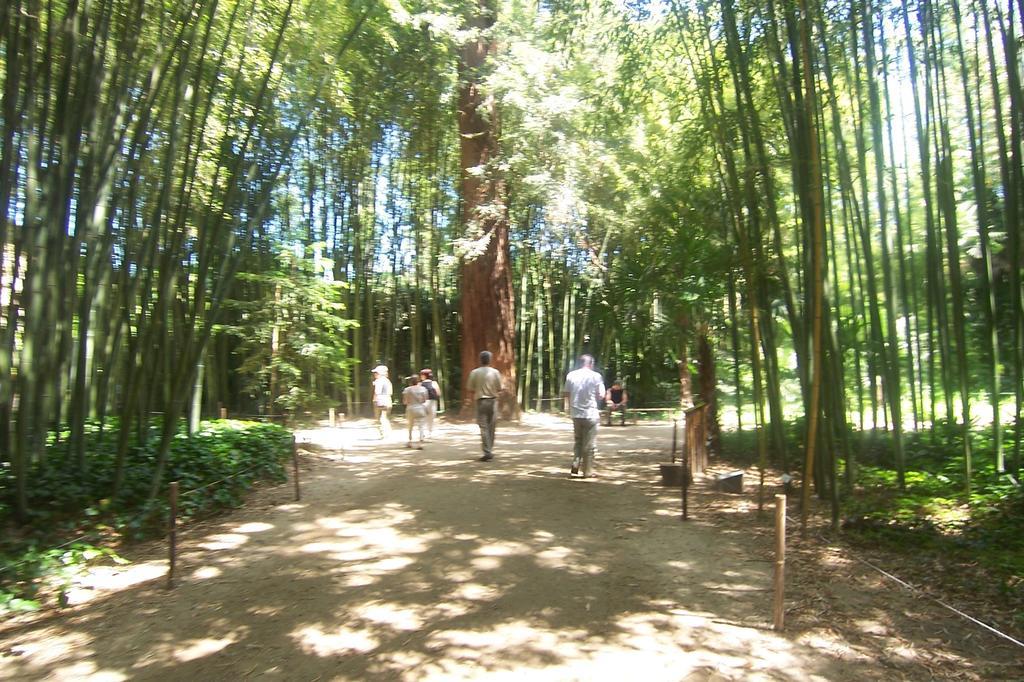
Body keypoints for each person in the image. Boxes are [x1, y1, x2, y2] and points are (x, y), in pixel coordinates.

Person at [562, 354, 606, 478]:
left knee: (578, 441)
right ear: (591, 364)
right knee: (589, 444)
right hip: (591, 413)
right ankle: (587, 471)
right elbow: (601, 394)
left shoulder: (571, 375)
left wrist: (568, 408)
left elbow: (566, 393)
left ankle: (575, 464)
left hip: (576, 413)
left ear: (580, 363)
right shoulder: (596, 376)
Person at [465, 350, 503, 461]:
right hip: (493, 401)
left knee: (483, 427)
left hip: (481, 401)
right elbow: (499, 388)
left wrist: (478, 391)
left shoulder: (474, 372)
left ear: (480, 360)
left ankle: (488, 451)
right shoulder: (495, 372)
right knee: (491, 426)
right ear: (490, 360)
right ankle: (489, 450)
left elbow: (470, 388)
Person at [402, 375, 428, 449]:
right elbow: (424, 400)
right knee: (421, 426)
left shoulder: (407, 389)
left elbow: (405, 401)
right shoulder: (423, 389)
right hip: (420, 408)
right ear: (418, 381)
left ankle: (410, 442)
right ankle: (420, 443)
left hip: (410, 408)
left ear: (410, 382)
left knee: (410, 425)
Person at [371, 365, 393, 439]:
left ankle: (383, 433)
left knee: (381, 418)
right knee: (385, 417)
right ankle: (387, 432)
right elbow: (390, 392)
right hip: (388, 400)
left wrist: (374, 400)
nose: (375, 374)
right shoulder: (388, 381)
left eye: (376, 372)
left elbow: (377, 392)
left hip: (381, 401)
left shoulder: (379, 381)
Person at [419, 368, 441, 440]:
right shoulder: (434, 383)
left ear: (424, 376)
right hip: (432, 402)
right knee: (431, 418)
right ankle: (430, 433)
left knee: (422, 418)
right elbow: (438, 393)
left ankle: (422, 434)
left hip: (423, 402)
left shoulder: (420, 384)